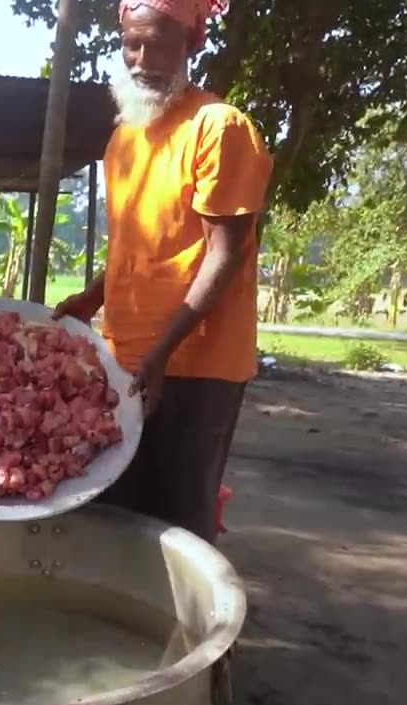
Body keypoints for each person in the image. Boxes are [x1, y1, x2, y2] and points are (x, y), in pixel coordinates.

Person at [53, 0, 272, 546]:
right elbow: (138, 244)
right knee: (111, 506)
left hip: (196, 363)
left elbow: (225, 255)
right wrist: (92, 297)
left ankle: (195, 630)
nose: (144, 59)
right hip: (125, 354)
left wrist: (162, 354)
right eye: (133, 43)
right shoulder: (123, 139)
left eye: (161, 44)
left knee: (176, 518)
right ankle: (120, 624)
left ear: (191, 44)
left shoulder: (218, 128)